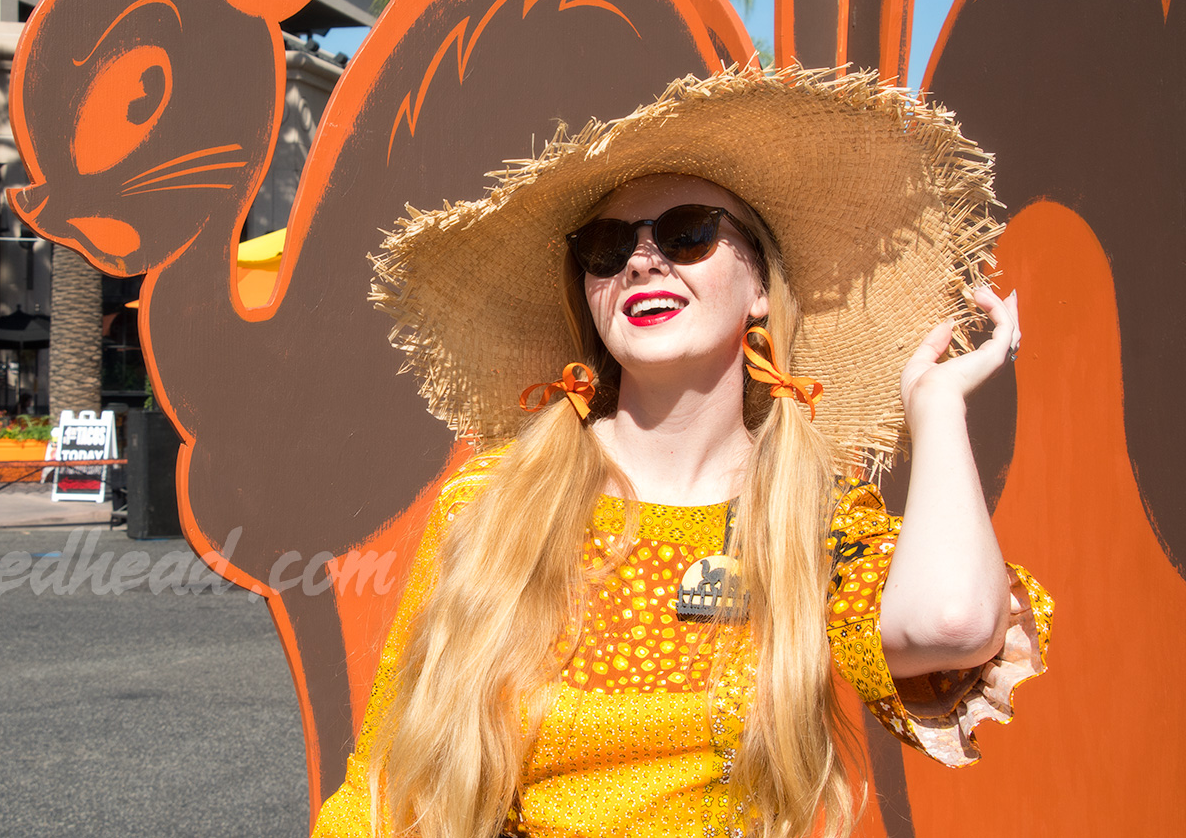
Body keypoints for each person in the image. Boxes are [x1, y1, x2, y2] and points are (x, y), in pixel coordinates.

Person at [316, 66, 1053, 838]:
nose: (641, 260)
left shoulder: (811, 514)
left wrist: (935, 409)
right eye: (606, 246)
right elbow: (381, 788)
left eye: (687, 232)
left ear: (759, 284)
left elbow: (954, 620)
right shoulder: (493, 502)